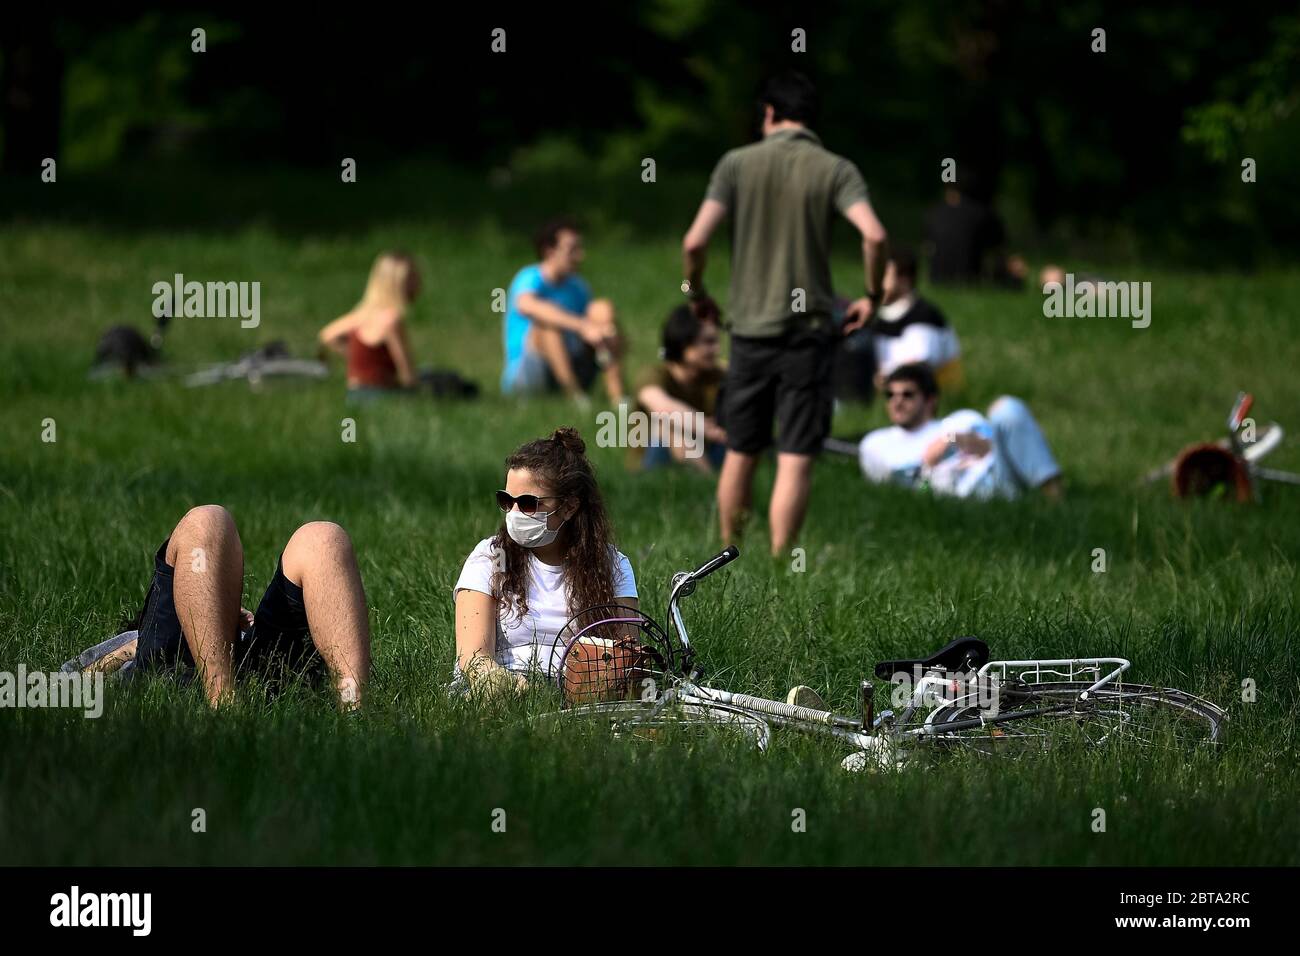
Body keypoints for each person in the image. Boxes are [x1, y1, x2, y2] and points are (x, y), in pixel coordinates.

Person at [681, 69, 889, 555]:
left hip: (750, 332)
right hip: (808, 334)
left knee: (740, 450)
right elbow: (875, 235)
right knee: (795, 456)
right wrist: (872, 295)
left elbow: (694, 240)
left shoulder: (735, 164)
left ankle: (728, 553)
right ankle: (780, 562)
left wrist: (696, 291)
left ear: (769, 113)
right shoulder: (836, 169)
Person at [64, 505, 371, 709]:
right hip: (177, 674)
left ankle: (354, 708)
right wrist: (134, 643)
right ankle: (222, 705)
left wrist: (220, 619)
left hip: (259, 670)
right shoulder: (137, 641)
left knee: (322, 538)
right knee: (207, 521)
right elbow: (73, 682)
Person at [453, 428, 638, 697]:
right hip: (502, 688)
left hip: (579, 693)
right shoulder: (490, 557)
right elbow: (473, 658)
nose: (514, 513)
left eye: (528, 503)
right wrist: (510, 688)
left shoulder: (612, 566)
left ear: (569, 507)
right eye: (506, 501)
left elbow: (625, 659)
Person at [859, 363, 1062, 500]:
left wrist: (950, 439)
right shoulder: (876, 443)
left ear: (931, 400)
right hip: (961, 496)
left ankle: (1055, 499)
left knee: (1007, 407)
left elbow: (990, 447)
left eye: (908, 394)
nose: (897, 401)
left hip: (998, 478)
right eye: (890, 395)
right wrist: (926, 471)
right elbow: (911, 495)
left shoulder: (959, 420)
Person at [501, 218, 627, 406]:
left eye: (580, 249)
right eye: (572, 250)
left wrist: (607, 334)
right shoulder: (529, 278)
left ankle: (617, 396)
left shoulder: (578, 286)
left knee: (602, 309)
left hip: (573, 360)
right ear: (549, 251)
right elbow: (526, 306)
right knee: (547, 325)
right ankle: (575, 398)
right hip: (529, 372)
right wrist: (583, 326)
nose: (580, 256)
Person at [834, 246, 964, 402]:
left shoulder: (924, 316)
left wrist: (884, 379)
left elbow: (918, 365)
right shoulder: (882, 317)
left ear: (904, 279)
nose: (875, 281)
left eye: (883, 275)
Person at [631, 305, 728, 472]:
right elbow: (663, 407)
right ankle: (708, 483)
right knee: (668, 426)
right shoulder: (653, 375)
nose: (716, 349)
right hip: (653, 462)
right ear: (685, 346)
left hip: (710, 450)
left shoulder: (715, 374)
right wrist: (710, 429)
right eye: (708, 342)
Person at [317, 251, 423, 402]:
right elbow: (407, 375)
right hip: (381, 395)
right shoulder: (391, 320)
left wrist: (358, 358)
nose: (418, 284)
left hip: (353, 395)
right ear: (398, 283)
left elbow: (327, 335)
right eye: (413, 278)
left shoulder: (363, 313)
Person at [923, 184, 1026, 288]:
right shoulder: (982, 213)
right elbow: (1000, 249)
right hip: (969, 278)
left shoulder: (934, 213)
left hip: (937, 278)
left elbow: (928, 248)